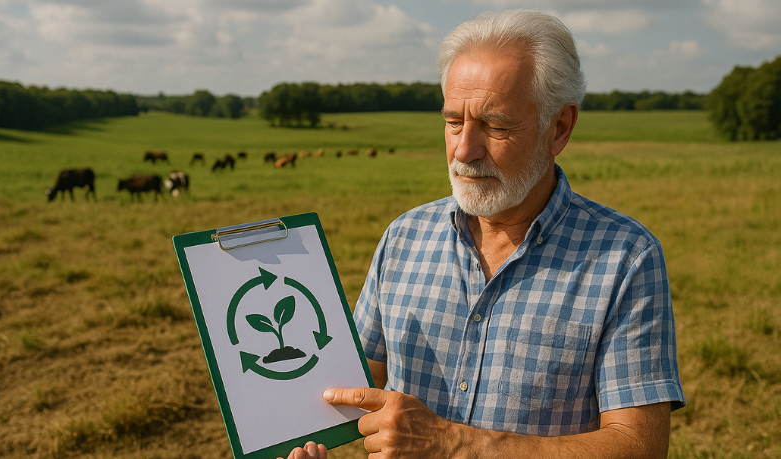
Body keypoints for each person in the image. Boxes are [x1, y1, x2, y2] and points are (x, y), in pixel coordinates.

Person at [283, 9, 685, 459]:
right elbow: (353, 390)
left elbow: (639, 446)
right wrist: (301, 435)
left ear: (559, 128)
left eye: (495, 126)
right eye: (453, 122)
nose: (464, 150)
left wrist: (455, 445)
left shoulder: (625, 258)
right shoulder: (403, 237)